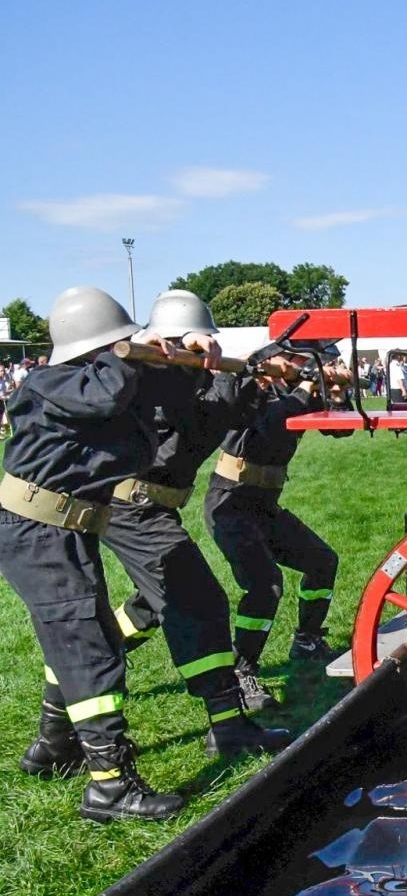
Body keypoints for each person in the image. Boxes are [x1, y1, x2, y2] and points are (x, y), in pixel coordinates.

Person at [0, 287, 192, 821]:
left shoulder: (98, 377)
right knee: (90, 650)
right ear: (101, 345)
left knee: (84, 638)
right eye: (122, 340)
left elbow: (161, 399)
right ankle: (109, 788)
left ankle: (53, 748)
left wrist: (188, 355)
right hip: (38, 532)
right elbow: (105, 396)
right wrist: (130, 352)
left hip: (61, 529)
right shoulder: (55, 382)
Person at [97, 291, 292, 758]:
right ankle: (228, 728)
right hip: (131, 505)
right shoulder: (149, 377)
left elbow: (229, 415)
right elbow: (197, 413)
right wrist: (213, 369)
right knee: (200, 600)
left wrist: (259, 376)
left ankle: (63, 699)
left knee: (153, 602)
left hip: (149, 506)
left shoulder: (184, 378)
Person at [205, 346, 351, 710]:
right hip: (230, 503)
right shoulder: (256, 384)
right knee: (265, 585)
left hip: (264, 504)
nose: (326, 368)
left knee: (321, 562)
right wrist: (304, 387)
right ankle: (242, 672)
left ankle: (307, 639)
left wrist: (336, 394)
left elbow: (343, 430)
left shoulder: (298, 391)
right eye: (319, 362)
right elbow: (270, 426)